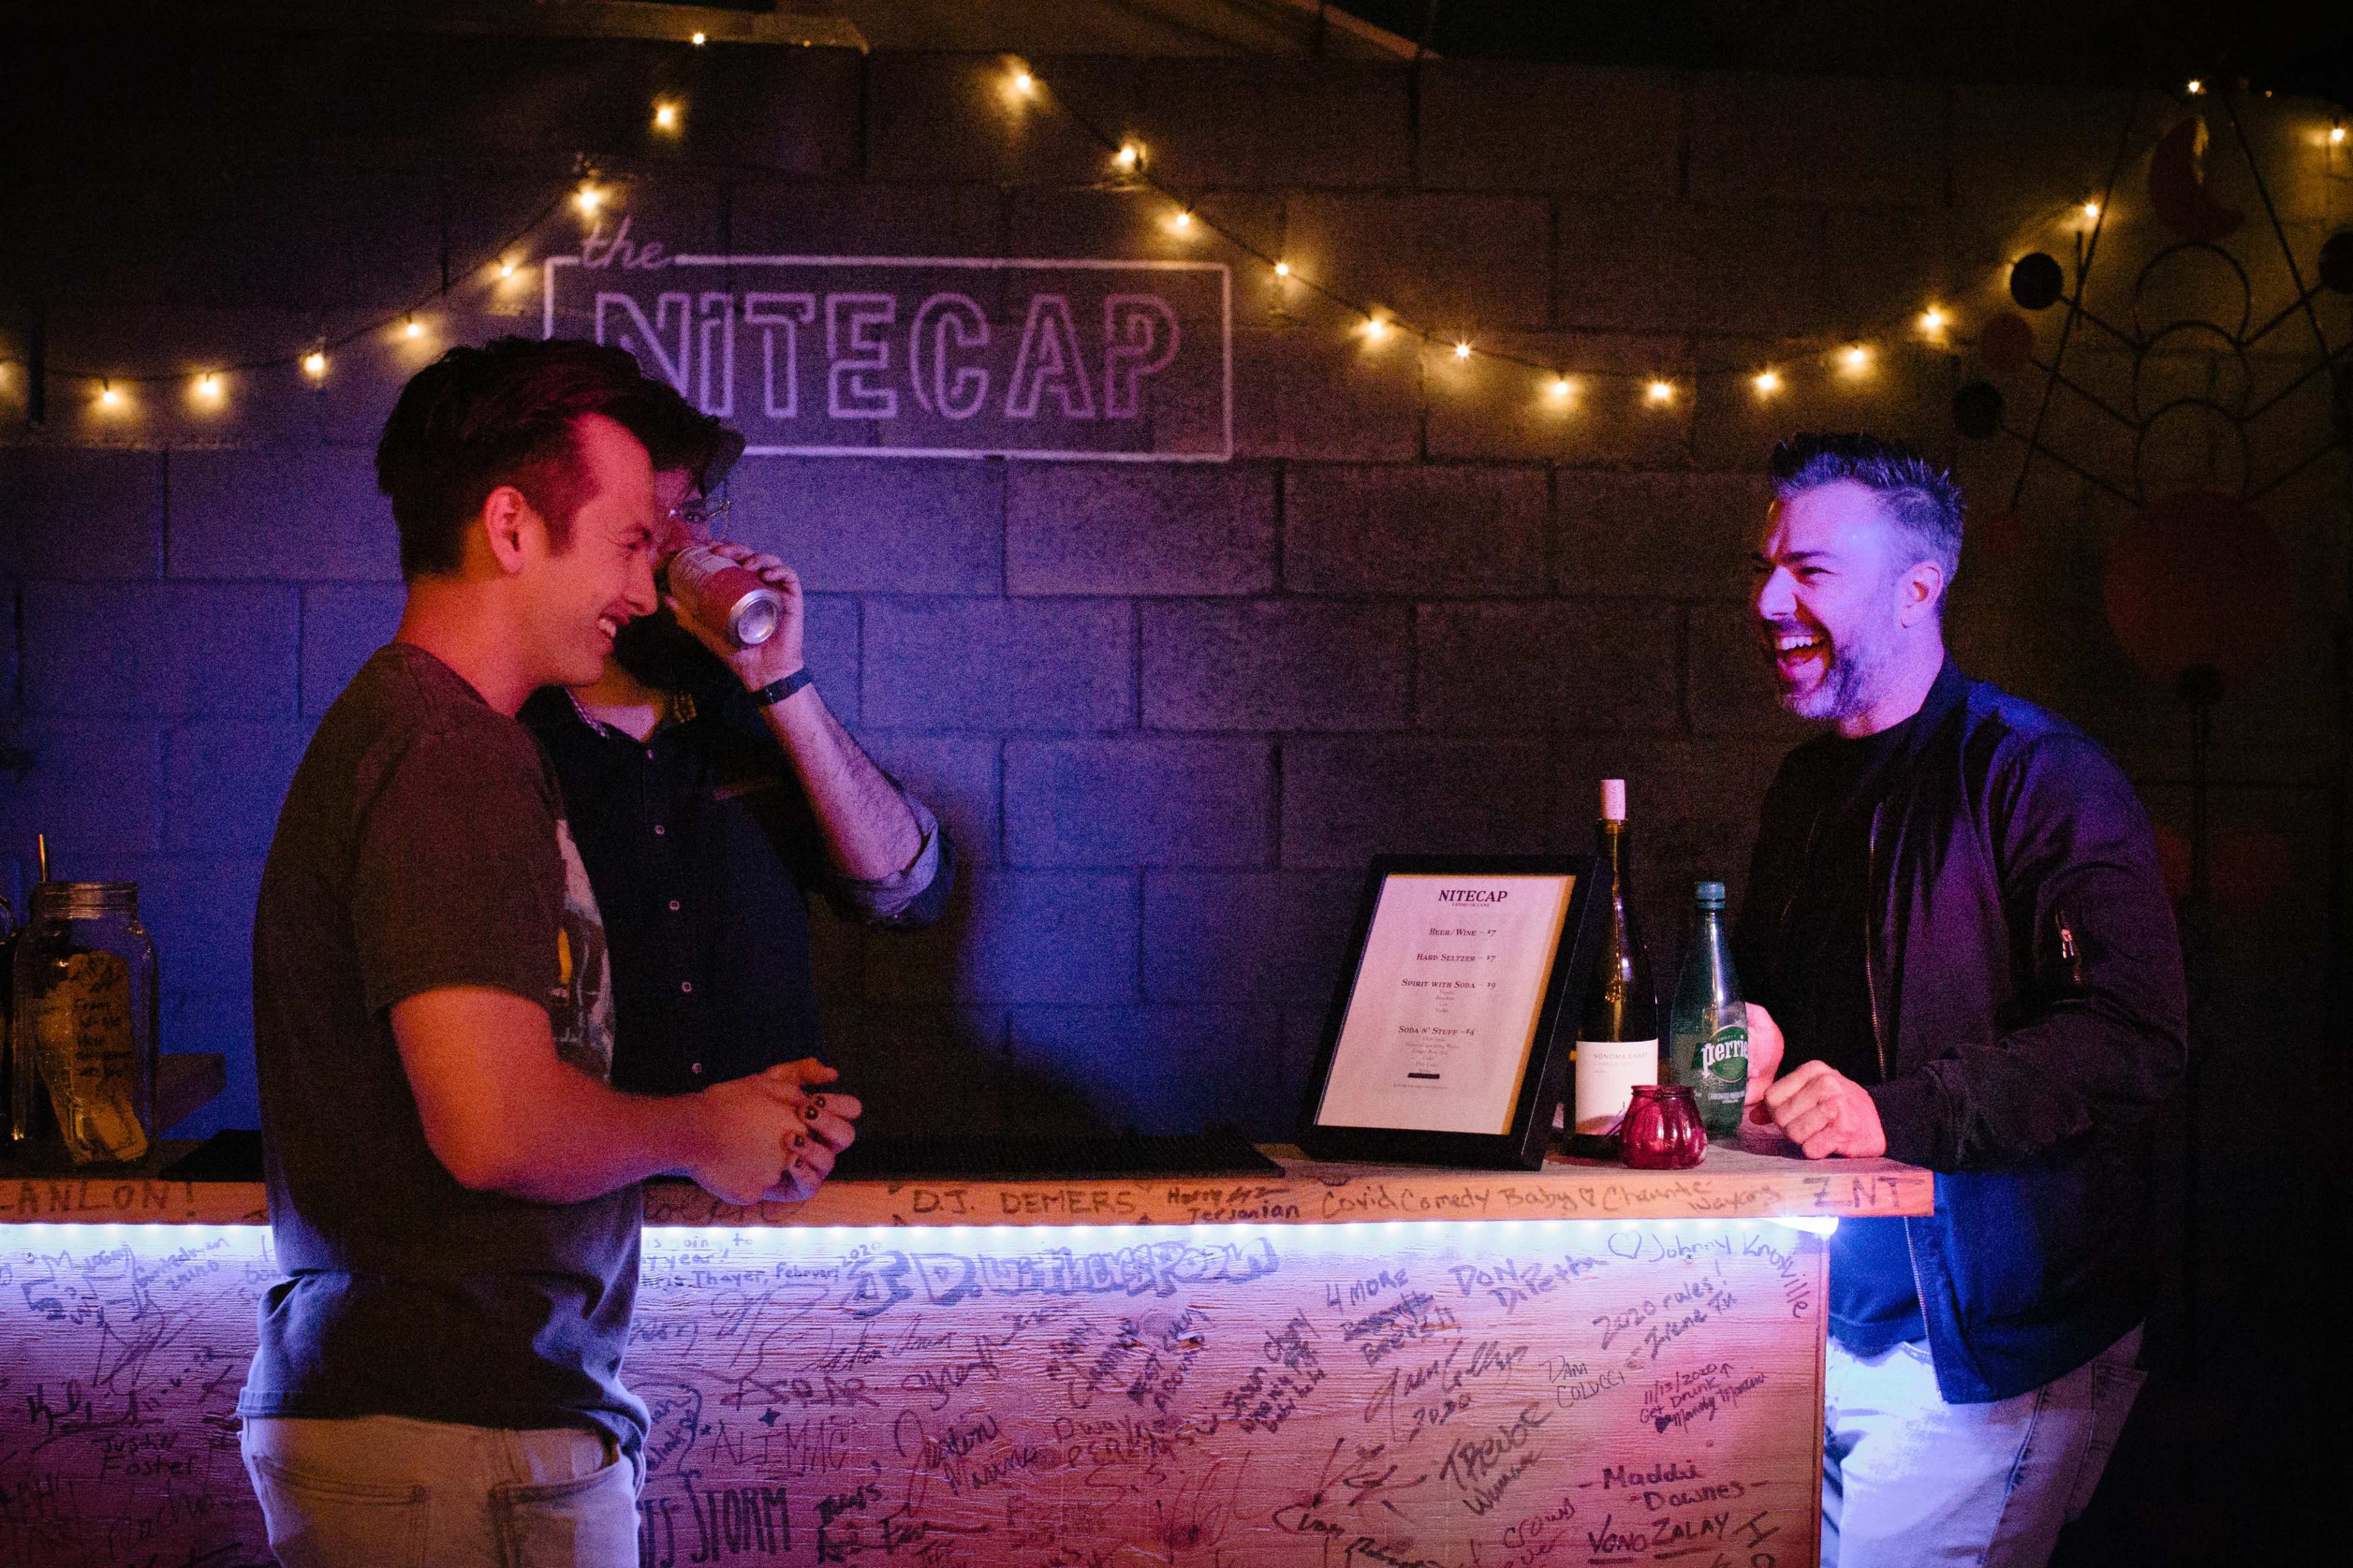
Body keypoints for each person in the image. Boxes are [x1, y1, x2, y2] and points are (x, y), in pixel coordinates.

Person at [238, 337, 862, 1568]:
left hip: (442, 1436)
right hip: (451, 1448)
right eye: (632, 542)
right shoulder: (450, 753)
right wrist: (700, 1131)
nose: (649, 589)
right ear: (512, 525)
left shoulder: (433, 735)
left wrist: (730, 1123)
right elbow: (495, 1126)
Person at [1732, 433, 2186, 1568]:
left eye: (1813, 571)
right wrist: (1744, 1030)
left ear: (1919, 586)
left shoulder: (2039, 773)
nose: (1769, 597)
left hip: (1990, 1341)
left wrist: (1899, 1109)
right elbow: (1782, 1013)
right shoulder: (1803, 789)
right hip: (1820, 1316)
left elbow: (2133, 1034)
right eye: (1769, 564)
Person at [518, 392, 949, 1099]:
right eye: (638, 529)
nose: (675, 546)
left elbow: (908, 893)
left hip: (773, 1188)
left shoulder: (741, 710)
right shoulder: (520, 735)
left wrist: (780, 681)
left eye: (689, 513)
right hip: (595, 1189)